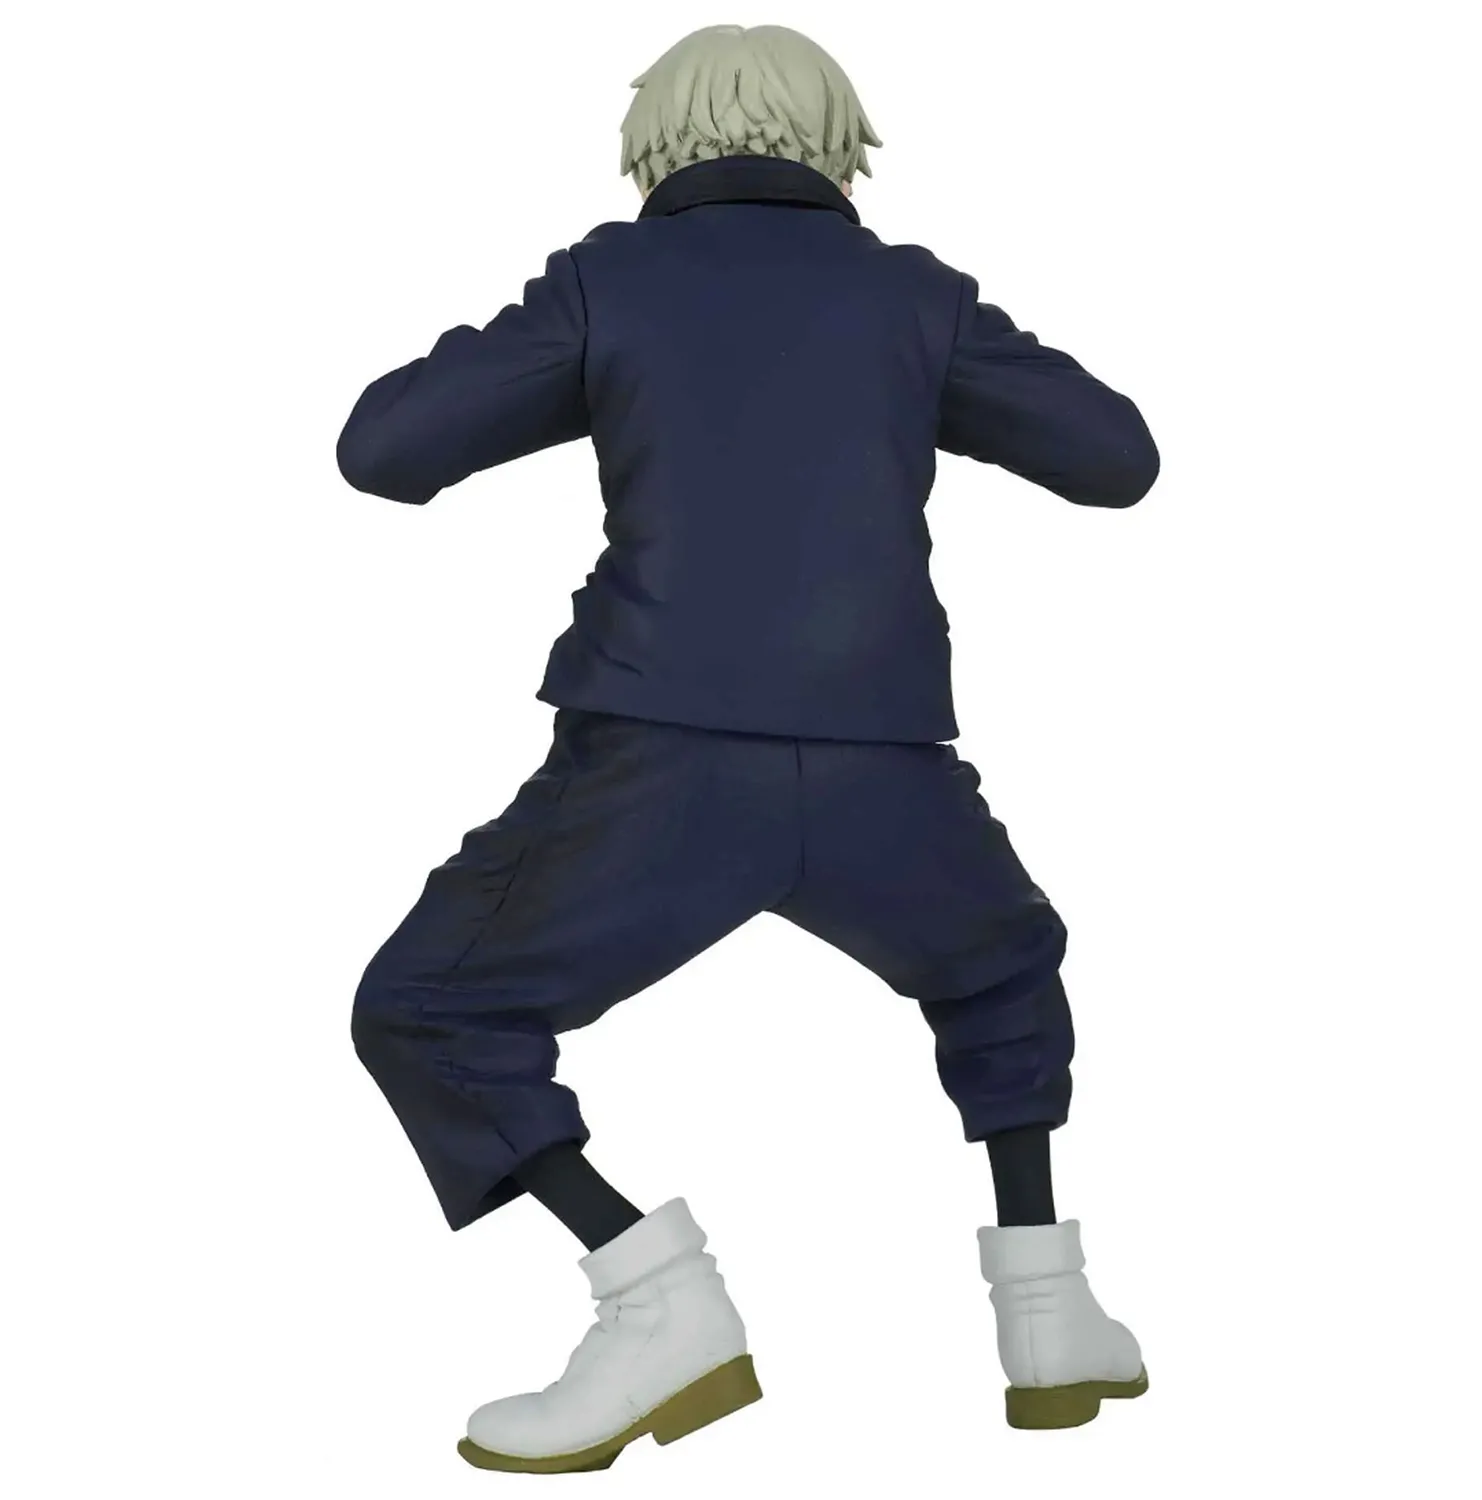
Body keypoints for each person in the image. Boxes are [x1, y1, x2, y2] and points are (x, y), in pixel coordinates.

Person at [336, 22, 1158, 1474]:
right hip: (885, 761)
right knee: (1000, 973)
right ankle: (1051, 1314)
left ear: (655, 139)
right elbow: (1116, 459)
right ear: (838, 141)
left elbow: (384, 450)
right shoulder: (914, 297)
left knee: (427, 1010)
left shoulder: (612, 281)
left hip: (660, 759)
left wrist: (590, 345)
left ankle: (653, 1299)